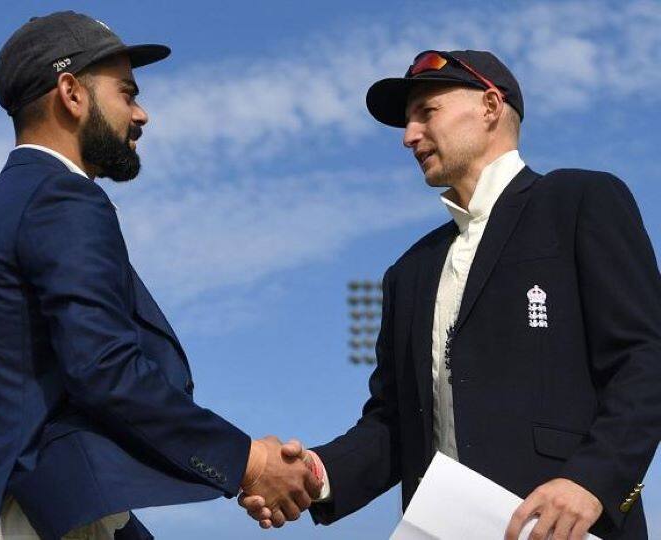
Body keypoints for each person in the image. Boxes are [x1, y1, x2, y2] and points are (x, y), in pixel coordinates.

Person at [240, 50, 661, 539]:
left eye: (426, 112)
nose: (408, 136)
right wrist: (314, 474)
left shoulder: (579, 201)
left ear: (489, 105)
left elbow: (646, 356)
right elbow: (395, 424)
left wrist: (591, 480)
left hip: (564, 527)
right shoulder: (409, 271)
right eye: (406, 122)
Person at [0, 11, 320, 540]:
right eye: (126, 92)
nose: (141, 114)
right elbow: (104, 368)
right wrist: (249, 462)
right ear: (71, 93)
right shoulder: (62, 200)